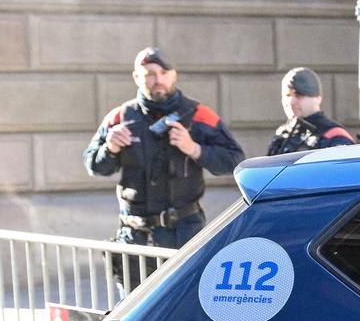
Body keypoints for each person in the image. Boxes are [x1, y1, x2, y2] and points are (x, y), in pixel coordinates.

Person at [84, 46, 245, 253]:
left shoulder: (199, 114)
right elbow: (94, 165)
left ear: (174, 75)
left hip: (183, 233)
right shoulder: (119, 117)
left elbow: (234, 160)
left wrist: (195, 149)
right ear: (136, 77)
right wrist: (110, 148)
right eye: (150, 74)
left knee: (189, 287)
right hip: (135, 235)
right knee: (136, 288)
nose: (158, 79)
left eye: (164, 73)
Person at [266, 67, 357, 156]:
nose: (291, 101)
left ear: (317, 98)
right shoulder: (283, 136)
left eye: (299, 95)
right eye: (287, 95)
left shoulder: (334, 136)